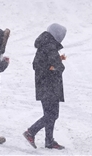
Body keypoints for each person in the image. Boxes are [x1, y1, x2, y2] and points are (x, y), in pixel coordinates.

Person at [23, 23, 67, 151]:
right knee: (52, 114)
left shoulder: (45, 45)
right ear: (58, 35)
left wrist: (55, 63)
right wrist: (56, 66)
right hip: (50, 85)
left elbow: (40, 64)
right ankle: (31, 132)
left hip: (45, 85)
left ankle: (49, 140)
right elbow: (58, 67)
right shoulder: (50, 46)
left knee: (50, 114)